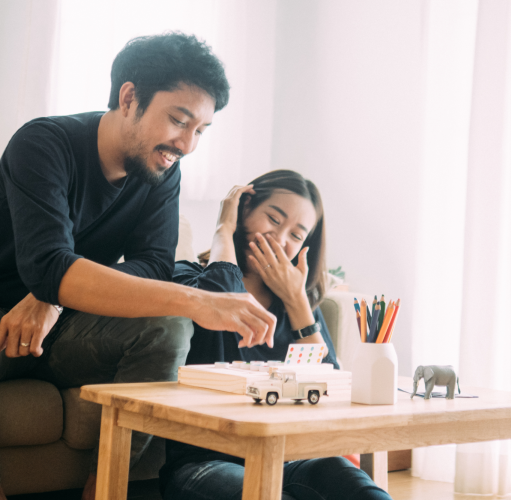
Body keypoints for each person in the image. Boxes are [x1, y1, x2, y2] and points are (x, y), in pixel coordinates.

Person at [0, 33, 277, 500]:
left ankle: (103, 489)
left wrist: (54, 298)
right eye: (179, 121)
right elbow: (48, 264)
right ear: (129, 97)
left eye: (200, 131)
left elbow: (154, 266)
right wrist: (200, 300)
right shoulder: (44, 143)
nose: (186, 144)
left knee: (168, 327)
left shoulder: (161, 172)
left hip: (68, 328)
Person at [159, 170, 393, 500]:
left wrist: (297, 301)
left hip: (289, 458)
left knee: (356, 486)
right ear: (244, 211)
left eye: (296, 236)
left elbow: (330, 389)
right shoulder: (190, 281)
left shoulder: (295, 308)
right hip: (205, 463)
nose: (280, 240)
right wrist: (223, 229)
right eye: (273, 219)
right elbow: (223, 301)